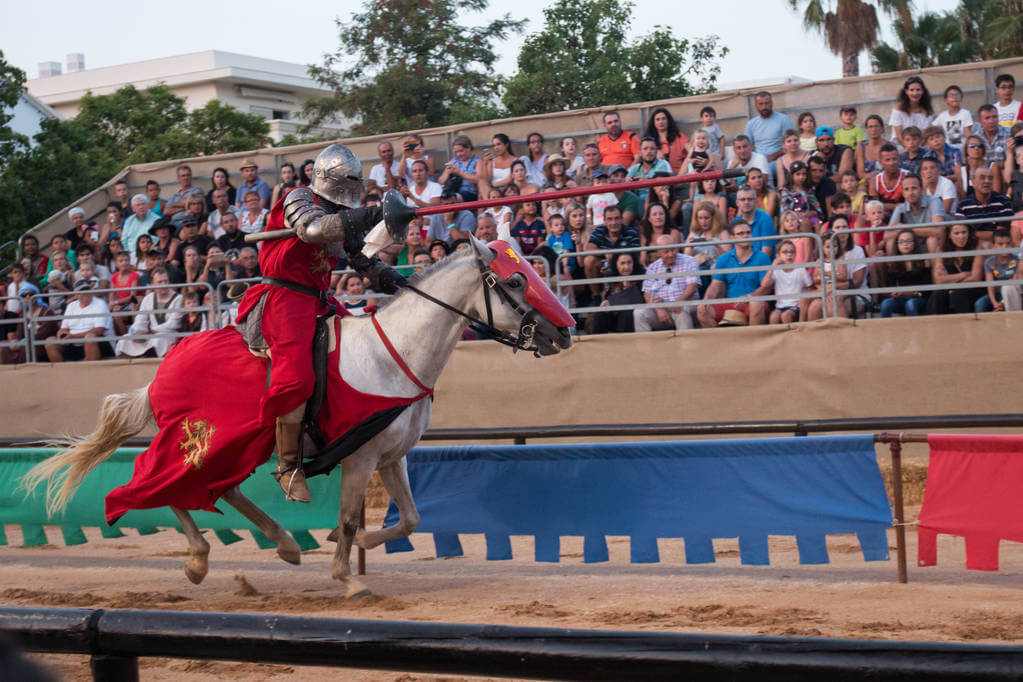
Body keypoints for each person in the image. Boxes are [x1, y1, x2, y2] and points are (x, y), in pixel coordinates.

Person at [234, 143, 410, 504]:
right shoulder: (297, 197)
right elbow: (314, 230)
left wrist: (398, 280)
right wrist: (373, 213)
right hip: (285, 297)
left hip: (319, 299)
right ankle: (288, 465)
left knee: (361, 357)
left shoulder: (342, 212)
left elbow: (361, 260)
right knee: (295, 377)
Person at [697, 220, 773, 327]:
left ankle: (754, 343)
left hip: (754, 301)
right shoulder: (723, 259)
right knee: (703, 311)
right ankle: (722, 343)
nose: (746, 236)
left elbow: (766, 288)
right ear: (732, 237)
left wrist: (748, 297)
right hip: (730, 303)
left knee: (756, 304)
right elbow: (715, 286)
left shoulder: (762, 257)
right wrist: (706, 301)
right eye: (741, 233)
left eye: (748, 232)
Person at [634, 234, 700, 331]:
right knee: (639, 313)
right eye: (666, 251)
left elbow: (692, 287)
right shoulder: (653, 267)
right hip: (662, 310)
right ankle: (645, 345)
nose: (671, 254)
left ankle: (687, 345)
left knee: (681, 310)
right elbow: (647, 294)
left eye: (673, 250)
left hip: (685, 305)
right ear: (658, 252)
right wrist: (658, 309)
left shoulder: (689, 261)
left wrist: (678, 302)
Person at [115, 267, 183, 358]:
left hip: (169, 335)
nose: (163, 284)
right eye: (159, 282)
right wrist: (137, 332)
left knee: (158, 340)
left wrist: (150, 331)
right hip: (149, 335)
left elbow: (174, 324)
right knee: (124, 340)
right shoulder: (148, 298)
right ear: (152, 284)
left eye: (165, 281)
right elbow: (140, 319)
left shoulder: (179, 299)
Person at [44, 280, 114, 362]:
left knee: (90, 338)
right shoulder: (71, 306)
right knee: (50, 341)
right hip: (73, 344)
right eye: (82, 291)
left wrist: (72, 337)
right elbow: (64, 328)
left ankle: (93, 370)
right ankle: (61, 372)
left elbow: (99, 331)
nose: (85, 293)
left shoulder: (100, 304)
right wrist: (61, 336)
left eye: (87, 290)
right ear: (76, 294)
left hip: (99, 343)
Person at [927, 223, 984, 314]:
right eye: (956, 233)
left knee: (957, 294)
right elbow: (937, 281)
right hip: (950, 290)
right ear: (949, 235)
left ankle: (965, 326)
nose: (961, 236)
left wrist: (948, 280)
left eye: (964, 232)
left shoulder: (977, 248)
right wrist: (963, 275)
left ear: (969, 233)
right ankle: (934, 326)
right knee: (938, 295)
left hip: (972, 289)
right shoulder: (941, 249)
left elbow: (975, 279)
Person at [583, 204, 640, 295]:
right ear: (604, 221)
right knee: (589, 260)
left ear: (622, 219)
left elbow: (635, 255)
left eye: (617, 218)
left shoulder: (631, 232)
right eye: (610, 219)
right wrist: (606, 253)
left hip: (625, 266)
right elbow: (588, 248)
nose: (614, 222)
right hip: (604, 265)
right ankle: (596, 297)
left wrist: (614, 259)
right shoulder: (599, 231)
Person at [588, 251, 644, 334]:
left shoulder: (641, 278)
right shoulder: (610, 278)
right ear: (616, 264)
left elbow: (639, 299)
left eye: (629, 263)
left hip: (631, 316)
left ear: (634, 263)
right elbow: (606, 299)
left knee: (626, 313)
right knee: (600, 316)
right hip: (614, 315)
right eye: (622, 263)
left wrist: (613, 302)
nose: (626, 267)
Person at [955, 166, 1014, 245]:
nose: (987, 181)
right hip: (972, 246)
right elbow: (961, 233)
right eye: (982, 178)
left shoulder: (1003, 202)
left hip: (997, 246)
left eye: (990, 178)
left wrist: (973, 233)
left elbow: (1001, 234)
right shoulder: (963, 205)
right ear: (973, 182)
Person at [888, 173, 945, 253]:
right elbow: (887, 235)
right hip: (911, 246)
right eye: (906, 189)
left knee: (932, 240)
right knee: (890, 242)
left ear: (921, 189)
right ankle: (893, 266)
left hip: (932, 244)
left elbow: (938, 231)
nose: (910, 193)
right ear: (903, 193)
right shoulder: (900, 208)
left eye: (914, 188)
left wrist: (905, 228)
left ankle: (935, 265)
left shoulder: (934, 201)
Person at [879, 229, 931, 317]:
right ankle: (884, 330)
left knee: (910, 304)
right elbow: (890, 287)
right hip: (901, 299)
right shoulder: (894, 264)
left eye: (908, 241)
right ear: (897, 245)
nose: (905, 244)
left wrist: (909, 292)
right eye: (901, 241)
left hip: (919, 299)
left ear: (914, 243)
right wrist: (893, 293)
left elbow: (927, 290)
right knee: (886, 303)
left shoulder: (923, 262)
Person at [762, 239, 811, 323]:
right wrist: (772, 267)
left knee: (786, 316)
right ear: (778, 256)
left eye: (792, 252)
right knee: (773, 317)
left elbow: (810, 288)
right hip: (780, 306)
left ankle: (791, 336)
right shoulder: (776, 271)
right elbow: (765, 284)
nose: (789, 255)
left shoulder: (800, 270)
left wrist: (803, 301)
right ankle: (778, 336)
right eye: (785, 252)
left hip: (796, 306)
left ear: (795, 254)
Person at [976, 228, 1023, 312]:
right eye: (1000, 244)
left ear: (1011, 244)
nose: (1004, 247)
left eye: (1007, 243)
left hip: (1012, 293)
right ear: (993, 246)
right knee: (979, 304)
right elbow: (990, 285)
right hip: (996, 294)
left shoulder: (1017, 260)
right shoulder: (989, 262)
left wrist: (1002, 302)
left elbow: (1017, 281)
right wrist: (994, 303)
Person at [743, 91, 793, 170]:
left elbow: (790, 143)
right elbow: (747, 145)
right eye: (761, 104)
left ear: (772, 103)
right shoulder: (751, 124)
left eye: (767, 103)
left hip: (778, 159)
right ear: (756, 105)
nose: (764, 107)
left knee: (764, 170)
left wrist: (773, 156)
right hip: (757, 160)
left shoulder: (783, 119)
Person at [627, 138, 670, 211]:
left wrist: (647, 181)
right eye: (645, 149)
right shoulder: (635, 168)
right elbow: (624, 179)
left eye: (652, 148)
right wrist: (627, 180)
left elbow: (664, 183)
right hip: (637, 200)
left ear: (656, 151)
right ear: (640, 152)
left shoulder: (663, 164)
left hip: (657, 199)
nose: (649, 151)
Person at [732, 185, 776, 256]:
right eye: (743, 199)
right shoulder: (734, 223)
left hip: (761, 265)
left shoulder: (766, 219)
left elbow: (766, 254)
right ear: (737, 203)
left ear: (756, 201)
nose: (746, 202)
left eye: (750, 199)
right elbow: (732, 252)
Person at [779, 161, 823, 233]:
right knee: (805, 223)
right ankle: (807, 244)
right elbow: (785, 210)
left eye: (804, 174)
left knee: (818, 223)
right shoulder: (786, 191)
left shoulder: (809, 190)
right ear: (791, 175)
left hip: (809, 215)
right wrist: (797, 214)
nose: (801, 177)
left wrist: (811, 213)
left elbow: (815, 205)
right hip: (793, 217)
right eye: (798, 174)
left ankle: (819, 244)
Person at [889, 76, 934, 142]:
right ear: (906, 91)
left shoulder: (928, 111)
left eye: (918, 90)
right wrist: (909, 149)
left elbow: (925, 134)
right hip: (900, 143)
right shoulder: (898, 110)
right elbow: (898, 136)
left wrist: (918, 149)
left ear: (922, 91)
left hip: (920, 144)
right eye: (912, 90)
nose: (915, 93)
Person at [645, 107, 689, 173]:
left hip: (678, 174)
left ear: (668, 120)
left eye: (663, 119)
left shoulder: (679, 136)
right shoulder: (648, 140)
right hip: (657, 175)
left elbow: (691, 151)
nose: (661, 122)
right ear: (653, 123)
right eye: (658, 119)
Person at [438, 135, 481, 204]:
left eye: (461, 151)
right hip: (454, 192)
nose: (458, 154)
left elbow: (479, 180)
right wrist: (447, 174)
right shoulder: (454, 161)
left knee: (451, 198)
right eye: (456, 152)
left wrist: (460, 173)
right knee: (441, 197)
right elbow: (441, 181)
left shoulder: (477, 161)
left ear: (469, 147)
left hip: (470, 193)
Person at [933, 85, 973, 153]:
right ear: (946, 100)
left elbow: (968, 134)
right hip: (947, 152)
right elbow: (932, 128)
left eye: (957, 95)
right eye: (951, 95)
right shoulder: (943, 116)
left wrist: (968, 150)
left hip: (962, 151)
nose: (955, 98)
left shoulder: (965, 113)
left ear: (961, 98)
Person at [873, 143, 909, 217]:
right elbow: (873, 207)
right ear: (880, 162)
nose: (892, 163)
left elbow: (911, 205)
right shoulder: (874, 181)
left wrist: (884, 206)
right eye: (887, 160)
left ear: (899, 159)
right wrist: (897, 206)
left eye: (894, 159)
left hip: (906, 217)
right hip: (881, 218)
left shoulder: (908, 176)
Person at [976, 104, 1010, 168]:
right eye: (987, 118)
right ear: (980, 122)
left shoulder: (1009, 134)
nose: (992, 121)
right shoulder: (976, 138)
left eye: (994, 117)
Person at [856, 114, 887, 183]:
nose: (873, 129)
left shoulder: (890, 146)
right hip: (868, 181)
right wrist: (871, 177)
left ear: (882, 129)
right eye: (870, 127)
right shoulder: (861, 148)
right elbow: (860, 173)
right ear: (866, 130)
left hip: (886, 180)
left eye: (876, 126)